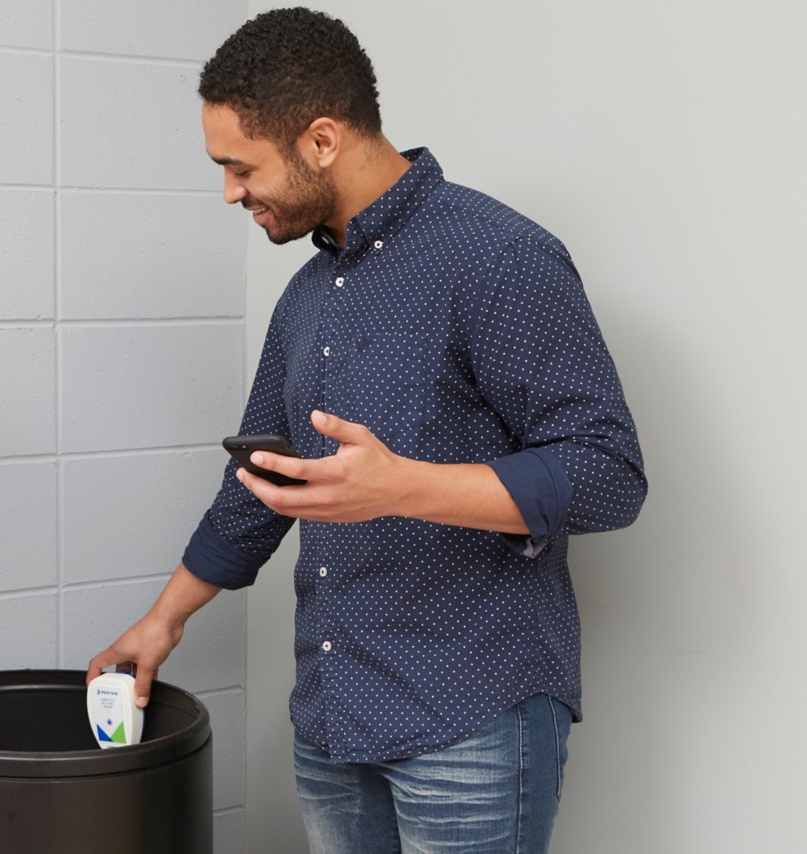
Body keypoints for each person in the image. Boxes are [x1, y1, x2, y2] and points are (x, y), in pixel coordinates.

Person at [87, 7, 647, 852]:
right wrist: (163, 622)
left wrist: (403, 486)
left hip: (470, 721)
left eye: (240, 167)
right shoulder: (308, 291)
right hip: (333, 720)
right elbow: (258, 488)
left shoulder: (497, 258)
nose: (229, 192)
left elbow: (609, 473)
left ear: (320, 140)